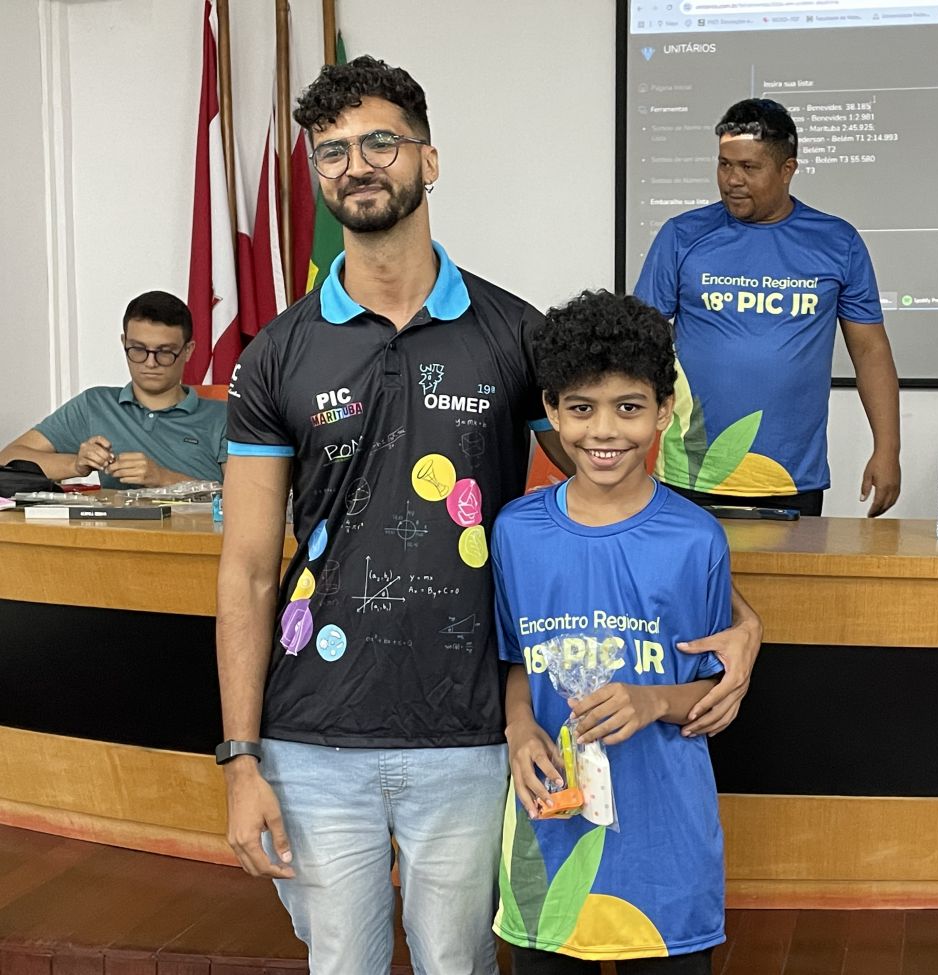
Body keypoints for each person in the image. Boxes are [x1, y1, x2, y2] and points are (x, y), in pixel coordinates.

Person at [214, 57, 759, 975]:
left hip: (469, 733)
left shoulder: (514, 334)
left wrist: (741, 617)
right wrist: (239, 756)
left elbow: (621, 491)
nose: (357, 164)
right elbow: (247, 567)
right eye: (332, 150)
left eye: (380, 142)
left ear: (429, 160)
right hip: (311, 736)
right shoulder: (276, 354)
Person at [493, 290, 728, 973]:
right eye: (581, 407)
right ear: (551, 410)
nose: (604, 431)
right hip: (548, 836)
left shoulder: (695, 539)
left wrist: (653, 700)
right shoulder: (515, 531)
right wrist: (518, 726)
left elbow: (715, 689)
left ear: (664, 409)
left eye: (628, 407)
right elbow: (517, 660)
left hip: (665, 845)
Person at [634, 97, 900, 517]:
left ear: (787, 169)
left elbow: (870, 350)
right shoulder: (682, 236)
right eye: (724, 164)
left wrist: (888, 450)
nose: (732, 180)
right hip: (692, 470)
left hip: (790, 475)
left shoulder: (837, 242)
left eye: (749, 167)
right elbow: (637, 344)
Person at [0, 291, 226, 488]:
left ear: (188, 350)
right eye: (138, 349)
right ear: (124, 343)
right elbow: (7, 459)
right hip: (114, 526)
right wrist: (75, 465)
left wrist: (164, 479)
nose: (150, 363)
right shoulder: (95, 405)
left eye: (165, 352)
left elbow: (242, 499)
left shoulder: (224, 416)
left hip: (199, 527)